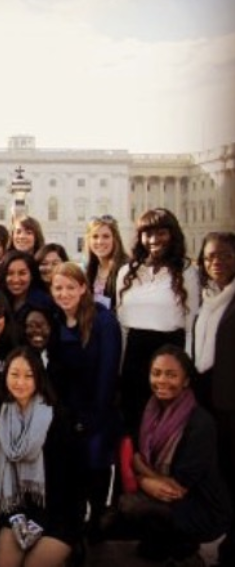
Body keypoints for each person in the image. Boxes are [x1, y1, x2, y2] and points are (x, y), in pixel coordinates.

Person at [118, 346, 231, 565]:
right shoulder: (151, 410)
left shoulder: (200, 423)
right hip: (173, 496)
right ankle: (171, 542)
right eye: (156, 373)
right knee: (128, 510)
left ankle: (187, 544)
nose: (161, 381)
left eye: (171, 375)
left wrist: (141, 474)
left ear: (186, 381)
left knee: (132, 505)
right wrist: (142, 473)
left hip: (204, 507)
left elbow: (177, 488)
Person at [48, 262, 121, 539]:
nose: (64, 293)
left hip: (96, 410)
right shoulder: (55, 319)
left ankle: (97, 520)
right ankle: (73, 526)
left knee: (95, 467)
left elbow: (108, 373)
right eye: (58, 288)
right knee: (70, 472)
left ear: (83, 288)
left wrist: (92, 418)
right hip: (66, 410)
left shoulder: (103, 321)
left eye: (70, 287)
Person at [0, 348, 84, 567]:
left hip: (58, 514)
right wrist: (17, 515)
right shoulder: (2, 415)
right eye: (14, 374)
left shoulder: (57, 417)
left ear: (39, 378)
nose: (20, 382)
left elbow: (69, 483)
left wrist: (39, 521)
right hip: (17, 510)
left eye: (28, 375)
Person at [116, 208, 200, 436]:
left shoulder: (187, 272)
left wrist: (187, 370)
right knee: (134, 425)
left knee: (168, 429)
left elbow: (191, 326)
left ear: (172, 234)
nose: (153, 240)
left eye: (161, 232)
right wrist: (120, 370)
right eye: (147, 233)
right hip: (134, 358)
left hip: (170, 356)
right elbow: (122, 328)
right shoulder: (126, 272)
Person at [193, 231, 235, 567]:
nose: (216, 263)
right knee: (216, 470)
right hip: (207, 396)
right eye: (209, 257)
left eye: (224, 256)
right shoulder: (208, 297)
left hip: (230, 401)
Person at [0, 250, 52, 325]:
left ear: (31, 275)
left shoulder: (44, 303)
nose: (16, 280)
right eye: (10, 273)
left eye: (22, 273)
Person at [83, 215, 128, 310]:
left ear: (115, 239)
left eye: (106, 236)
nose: (100, 241)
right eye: (95, 236)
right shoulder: (89, 270)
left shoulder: (126, 268)